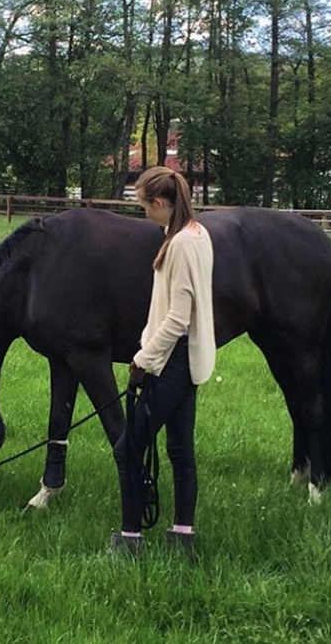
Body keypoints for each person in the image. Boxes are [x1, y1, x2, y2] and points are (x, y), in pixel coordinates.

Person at [111, 166, 216, 557]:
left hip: (171, 361)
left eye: (145, 207)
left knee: (128, 448)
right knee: (179, 450)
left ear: (159, 203)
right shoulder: (194, 234)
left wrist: (143, 358)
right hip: (181, 359)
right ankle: (181, 537)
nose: (145, 215)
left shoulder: (183, 244)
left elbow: (178, 316)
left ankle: (130, 539)